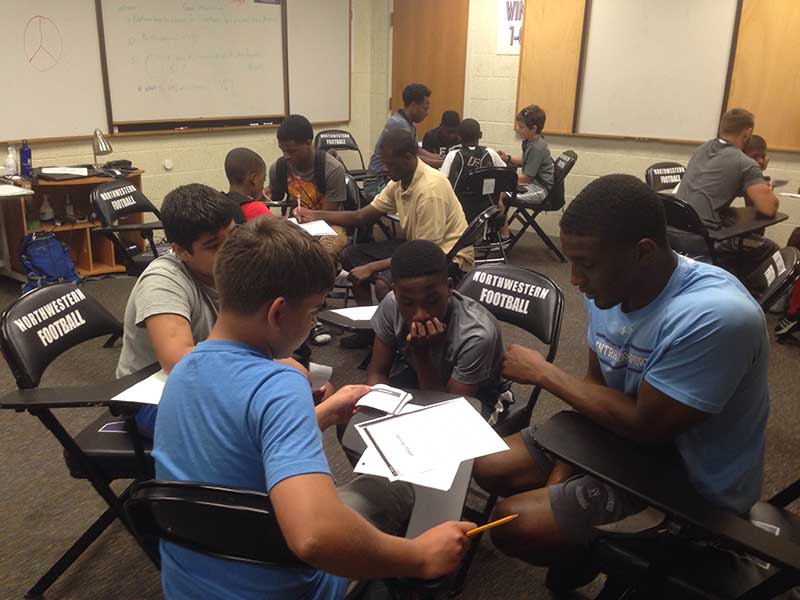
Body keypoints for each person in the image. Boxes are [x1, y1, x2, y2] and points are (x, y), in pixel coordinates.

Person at [473, 175, 769, 593]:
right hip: (619, 442)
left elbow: (648, 428)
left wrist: (545, 373)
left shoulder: (715, 315)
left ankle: (613, 549)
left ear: (643, 253)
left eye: (587, 265)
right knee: (487, 465)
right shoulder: (608, 289)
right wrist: (566, 468)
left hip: (684, 486)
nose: (575, 280)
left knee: (512, 526)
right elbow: (596, 388)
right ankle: (579, 546)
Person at [153, 217, 475, 599]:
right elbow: (314, 537)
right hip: (287, 587)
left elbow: (234, 450)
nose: (312, 323)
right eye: (311, 312)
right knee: (397, 493)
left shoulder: (183, 368)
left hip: (189, 585)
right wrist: (418, 556)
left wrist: (318, 416)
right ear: (277, 313)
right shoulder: (279, 385)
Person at [117, 185, 307, 436]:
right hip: (152, 396)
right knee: (260, 419)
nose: (230, 249)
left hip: (206, 379)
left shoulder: (229, 267)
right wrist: (266, 364)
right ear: (181, 250)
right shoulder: (162, 279)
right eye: (213, 245)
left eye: (233, 235)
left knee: (290, 385)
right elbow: (177, 360)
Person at [295, 128, 473, 349]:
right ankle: (368, 330)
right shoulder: (400, 180)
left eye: (390, 164)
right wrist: (316, 214)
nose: (385, 169)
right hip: (416, 245)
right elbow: (362, 215)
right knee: (351, 254)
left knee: (383, 283)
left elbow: (426, 252)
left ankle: (399, 341)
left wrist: (372, 267)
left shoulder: (430, 190)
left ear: (408, 157)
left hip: (445, 256)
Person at [368, 240, 503, 413]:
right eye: (408, 302)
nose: (420, 314)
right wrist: (381, 410)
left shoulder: (476, 335)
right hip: (419, 378)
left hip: (472, 399)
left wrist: (422, 355)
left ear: (449, 288)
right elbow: (377, 372)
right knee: (352, 423)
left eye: (432, 301)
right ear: (395, 292)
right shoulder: (391, 304)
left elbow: (446, 413)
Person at [674, 108, 780, 286]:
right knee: (769, 248)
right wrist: (763, 181)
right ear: (747, 133)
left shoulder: (701, 149)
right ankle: (738, 290)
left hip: (672, 234)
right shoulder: (745, 163)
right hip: (702, 242)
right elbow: (768, 208)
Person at [269, 114, 348, 261]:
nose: (286, 156)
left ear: (308, 143)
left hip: (328, 224)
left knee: (324, 253)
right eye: (282, 150)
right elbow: (275, 198)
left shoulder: (332, 169)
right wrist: (265, 194)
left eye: (291, 151)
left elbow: (328, 215)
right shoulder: (279, 167)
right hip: (295, 223)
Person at [365, 83, 443, 197]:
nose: (427, 113)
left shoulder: (408, 123)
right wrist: (441, 163)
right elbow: (412, 158)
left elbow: (416, 150)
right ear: (413, 105)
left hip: (391, 178)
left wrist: (440, 158)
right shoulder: (398, 124)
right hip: (379, 182)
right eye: (425, 108)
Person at [441, 118, 508, 222]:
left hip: (460, 211)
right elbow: (504, 175)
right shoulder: (490, 153)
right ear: (480, 135)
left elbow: (443, 181)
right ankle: (504, 235)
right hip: (487, 210)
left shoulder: (453, 155)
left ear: (459, 136)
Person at [497, 104, 554, 204]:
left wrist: (502, 179)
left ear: (534, 128)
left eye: (521, 127)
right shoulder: (532, 141)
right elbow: (526, 160)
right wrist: (507, 158)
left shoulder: (537, 148)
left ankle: (501, 220)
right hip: (532, 184)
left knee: (497, 195)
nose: (517, 129)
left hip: (538, 189)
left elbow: (526, 179)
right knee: (498, 192)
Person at [224, 147, 271, 222]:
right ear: (253, 178)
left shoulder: (221, 205)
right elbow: (279, 233)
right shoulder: (257, 209)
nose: (263, 186)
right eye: (263, 180)